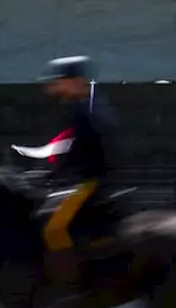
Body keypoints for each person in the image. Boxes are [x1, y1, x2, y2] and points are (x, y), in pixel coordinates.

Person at [38, 55, 119, 290]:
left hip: (90, 182)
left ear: (75, 81)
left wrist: (57, 175)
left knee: (53, 229)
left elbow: (80, 150)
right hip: (80, 179)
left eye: (59, 80)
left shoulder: (86, 110)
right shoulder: (77, 107)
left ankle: (68, 282)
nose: (54, 86)